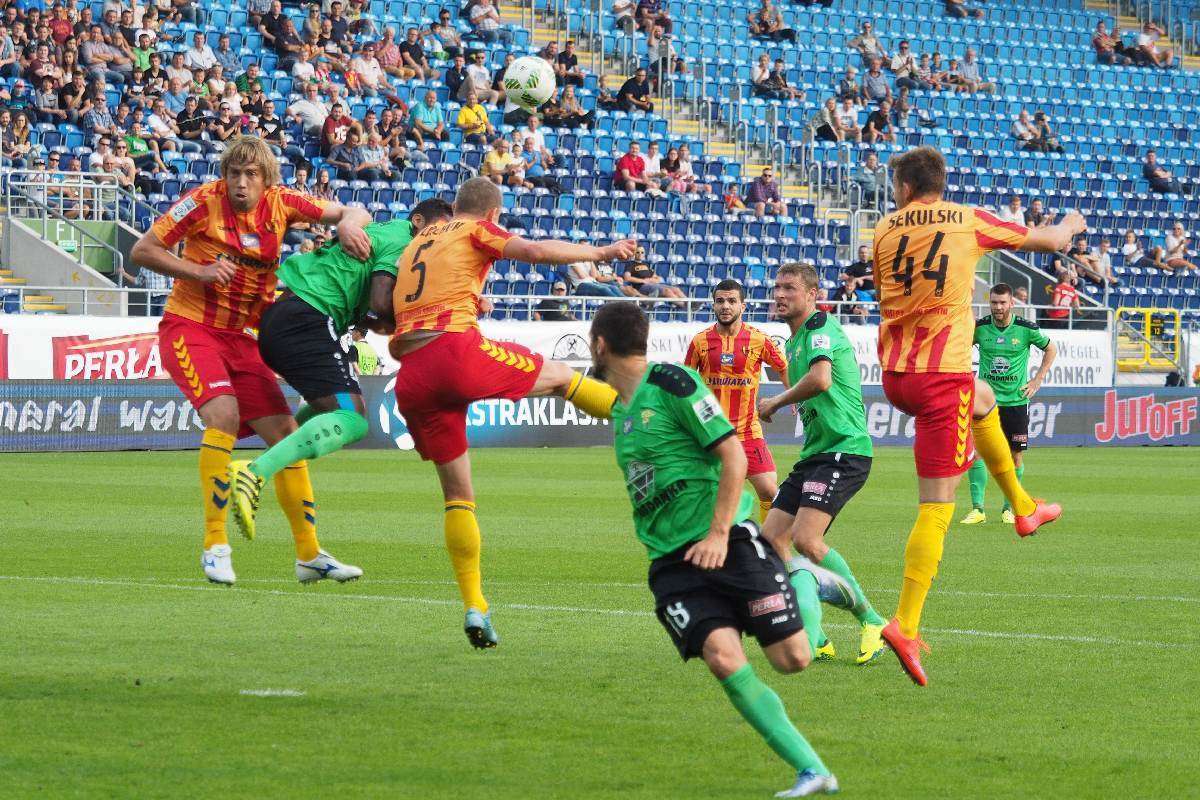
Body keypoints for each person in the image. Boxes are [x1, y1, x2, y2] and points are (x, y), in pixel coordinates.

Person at [588, 300, 840, 799]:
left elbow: (731, 453)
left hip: (727, 543)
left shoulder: (673, 383)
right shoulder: (619, 406)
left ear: (599, 345)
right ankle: (813, 771)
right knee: (723, 659)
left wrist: (720, 532)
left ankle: (806, 579)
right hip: (672, 565)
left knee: (793, 659)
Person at [387, 177, 637, 648]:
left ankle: (475, 606)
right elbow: (537, 252)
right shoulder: (475, 229)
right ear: (494, 215)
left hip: (412, 374)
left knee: (458, 497)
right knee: (562, 375)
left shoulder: (419, 239)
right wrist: (602, 254)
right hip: (454, 353)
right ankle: (644, 418)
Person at [871, 146, 1080, 685]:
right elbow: (1053, 242)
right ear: (938, 182)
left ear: (904, 186)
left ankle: (1024, 507)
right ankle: (905, 625)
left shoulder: (884, 228)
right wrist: (1071, 223)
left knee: (984, 399)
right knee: (937, 508)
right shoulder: (967, 221)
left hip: (897, 374)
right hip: (941, 377)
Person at [128, 136, 374, 586]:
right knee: (222, 415)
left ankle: (308, 555)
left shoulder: (283, 203)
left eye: (251, 175)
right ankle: (215, 545)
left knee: (286, 434)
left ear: (267, 180)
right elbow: (143, 250)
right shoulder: (201, 202)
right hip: (191, 328)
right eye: (234, 174)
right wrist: (197, 271)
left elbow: (351, 212)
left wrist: (350, 226)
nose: (241, 183)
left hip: (245, 339)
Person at [228, 199, 455, 537]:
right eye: (436, 229)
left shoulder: (382, 235)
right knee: (352, 418)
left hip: (290, 315)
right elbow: (380, 305)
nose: (438, 239)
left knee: (329, 412)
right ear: (417, 219)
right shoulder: (405, 241)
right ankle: (255, 471)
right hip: (309, 316)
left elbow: (371, 318)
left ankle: (261, 467)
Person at [756, 263, 889, 666]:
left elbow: (822, 380)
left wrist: (776, 402)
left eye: (790, 288)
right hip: (816, 454)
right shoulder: (795, 339)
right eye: (777, 287)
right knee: (772, 541)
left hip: (844, 451)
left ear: (812, 294)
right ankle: (819, 635)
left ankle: (872, 620)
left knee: (806, 541)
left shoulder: (818, 329)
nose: (780, 295)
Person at [685, 280, 789, 523]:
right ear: (713, 305)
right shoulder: (700, 341)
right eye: (720, 301)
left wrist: (792, 398)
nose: (725, 306)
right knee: (708, 498)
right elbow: (687, 381)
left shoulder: (759, 339)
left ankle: (768, 547)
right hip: (711, 433)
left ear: (743, 306)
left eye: (732, 301)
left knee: (770, 491)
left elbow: (784, 369)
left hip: (747, 431)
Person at [960, 283, 1058, 526]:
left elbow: (1051, 348)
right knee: (978, 454)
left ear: (1012, 303)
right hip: (985, 404)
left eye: (1003, 303)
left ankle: (1009, 509)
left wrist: (1037, 379)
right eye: (994, 302)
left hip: (1015, 402)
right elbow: (960, 348)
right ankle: (978, 509)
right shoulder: (980, 328)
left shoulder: (1025, 329)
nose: (998, 307)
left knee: (1014, 457)